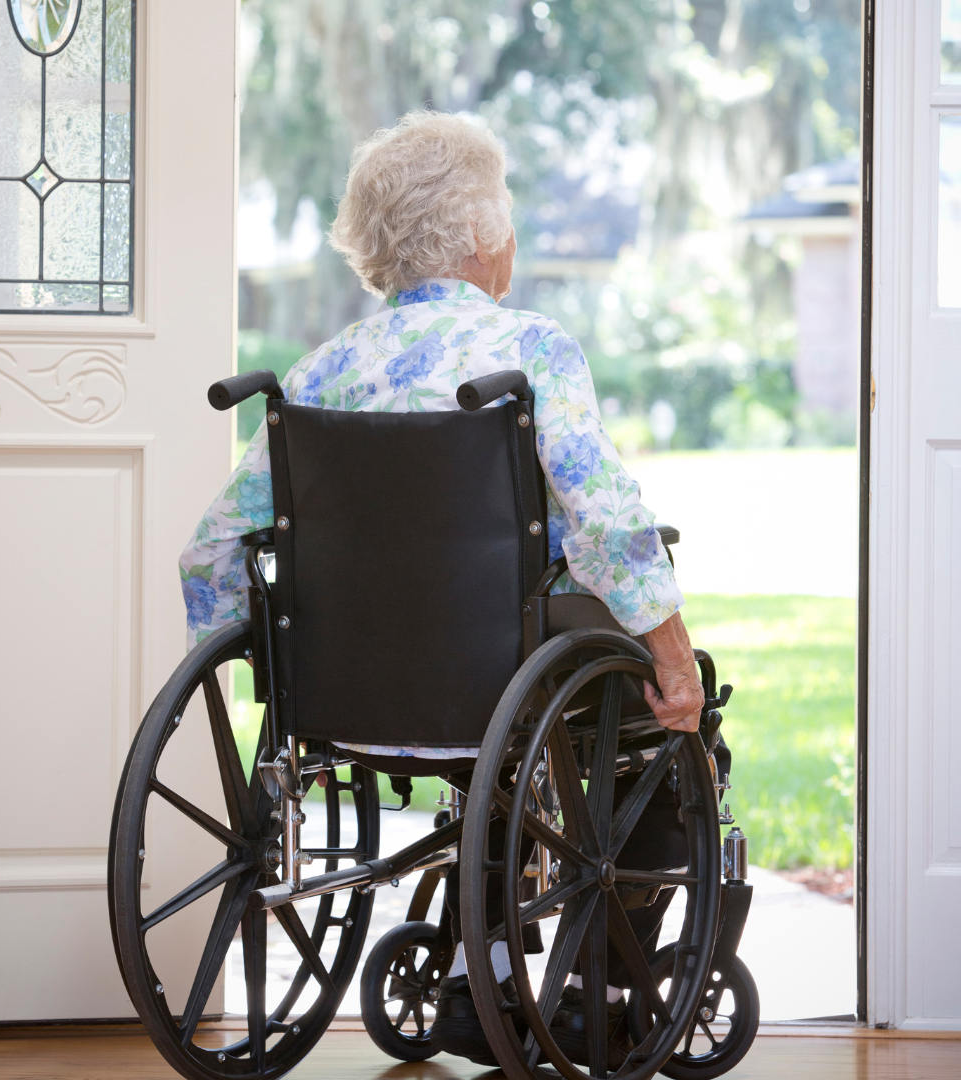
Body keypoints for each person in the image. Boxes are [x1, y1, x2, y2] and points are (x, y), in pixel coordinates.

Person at [180, 111, 704, 1067]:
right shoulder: (529, 353)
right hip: (503, 690)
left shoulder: (317, 376)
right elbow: (602, 517)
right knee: (666, 709)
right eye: (505, 219)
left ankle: (487, 974)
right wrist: (671, 652)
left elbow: (211, 550)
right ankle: (597, 986)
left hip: (339, 704)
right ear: (477, 238)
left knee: (531, 696)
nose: (511, 240)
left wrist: (260, 676)